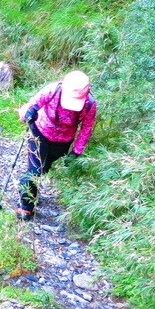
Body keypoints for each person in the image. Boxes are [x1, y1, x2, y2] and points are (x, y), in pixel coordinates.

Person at [16, 71, 97, 221]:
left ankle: (32, 193)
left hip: (62, 142)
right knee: (35, 170)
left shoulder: (90, 104)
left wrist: (76, 152)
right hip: (39, 132)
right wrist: (28, 114)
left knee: (44, 168)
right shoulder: (53, 90)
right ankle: (25, 206)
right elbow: (32, 104)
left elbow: (86, 128)